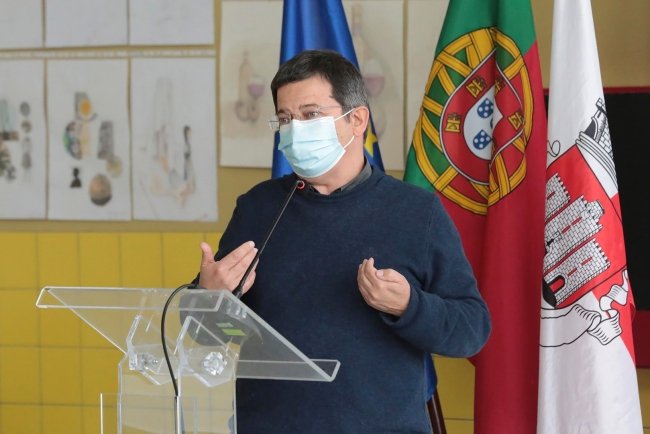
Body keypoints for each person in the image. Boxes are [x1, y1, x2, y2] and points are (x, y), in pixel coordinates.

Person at [195, 49, 491, 434]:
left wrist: (409, 306)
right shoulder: (258, 207)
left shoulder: (417, 212)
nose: (295, 129)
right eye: (285, 119)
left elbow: (471, 330)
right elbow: (203, 333)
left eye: (310, 115)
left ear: (357, 119)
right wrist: (207, 297)